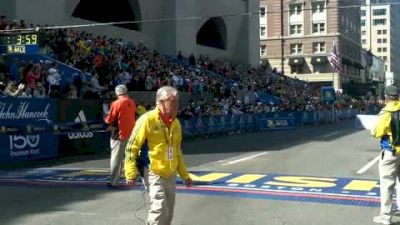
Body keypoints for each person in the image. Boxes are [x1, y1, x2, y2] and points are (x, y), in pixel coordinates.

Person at [125, 85, 192, 225]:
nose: (176, 106)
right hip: (153, 171)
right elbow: (131, 147)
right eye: (173, 103)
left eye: (177, 102)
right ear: (161, 103)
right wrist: (130, 172)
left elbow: (177, 152)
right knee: (159, 207)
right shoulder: (147, 120)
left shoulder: (176, 123)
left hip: (170, 173)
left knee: (169, 212)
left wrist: (184, 175)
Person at [371, 85, 400, 225]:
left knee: (387, 185)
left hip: (390, 152)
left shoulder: (386, 112)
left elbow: (376, 133)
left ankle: (385, 216)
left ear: (386, 97)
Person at [104, 84, 136, 187]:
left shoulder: (116, 103)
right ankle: (129, 177)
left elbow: (110, 119)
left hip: (119, 134)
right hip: (131, 133)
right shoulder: (131, 102)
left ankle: (114, 181)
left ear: (117, 93)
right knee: (128, 156)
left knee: (116, 157)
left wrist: (105, 119)